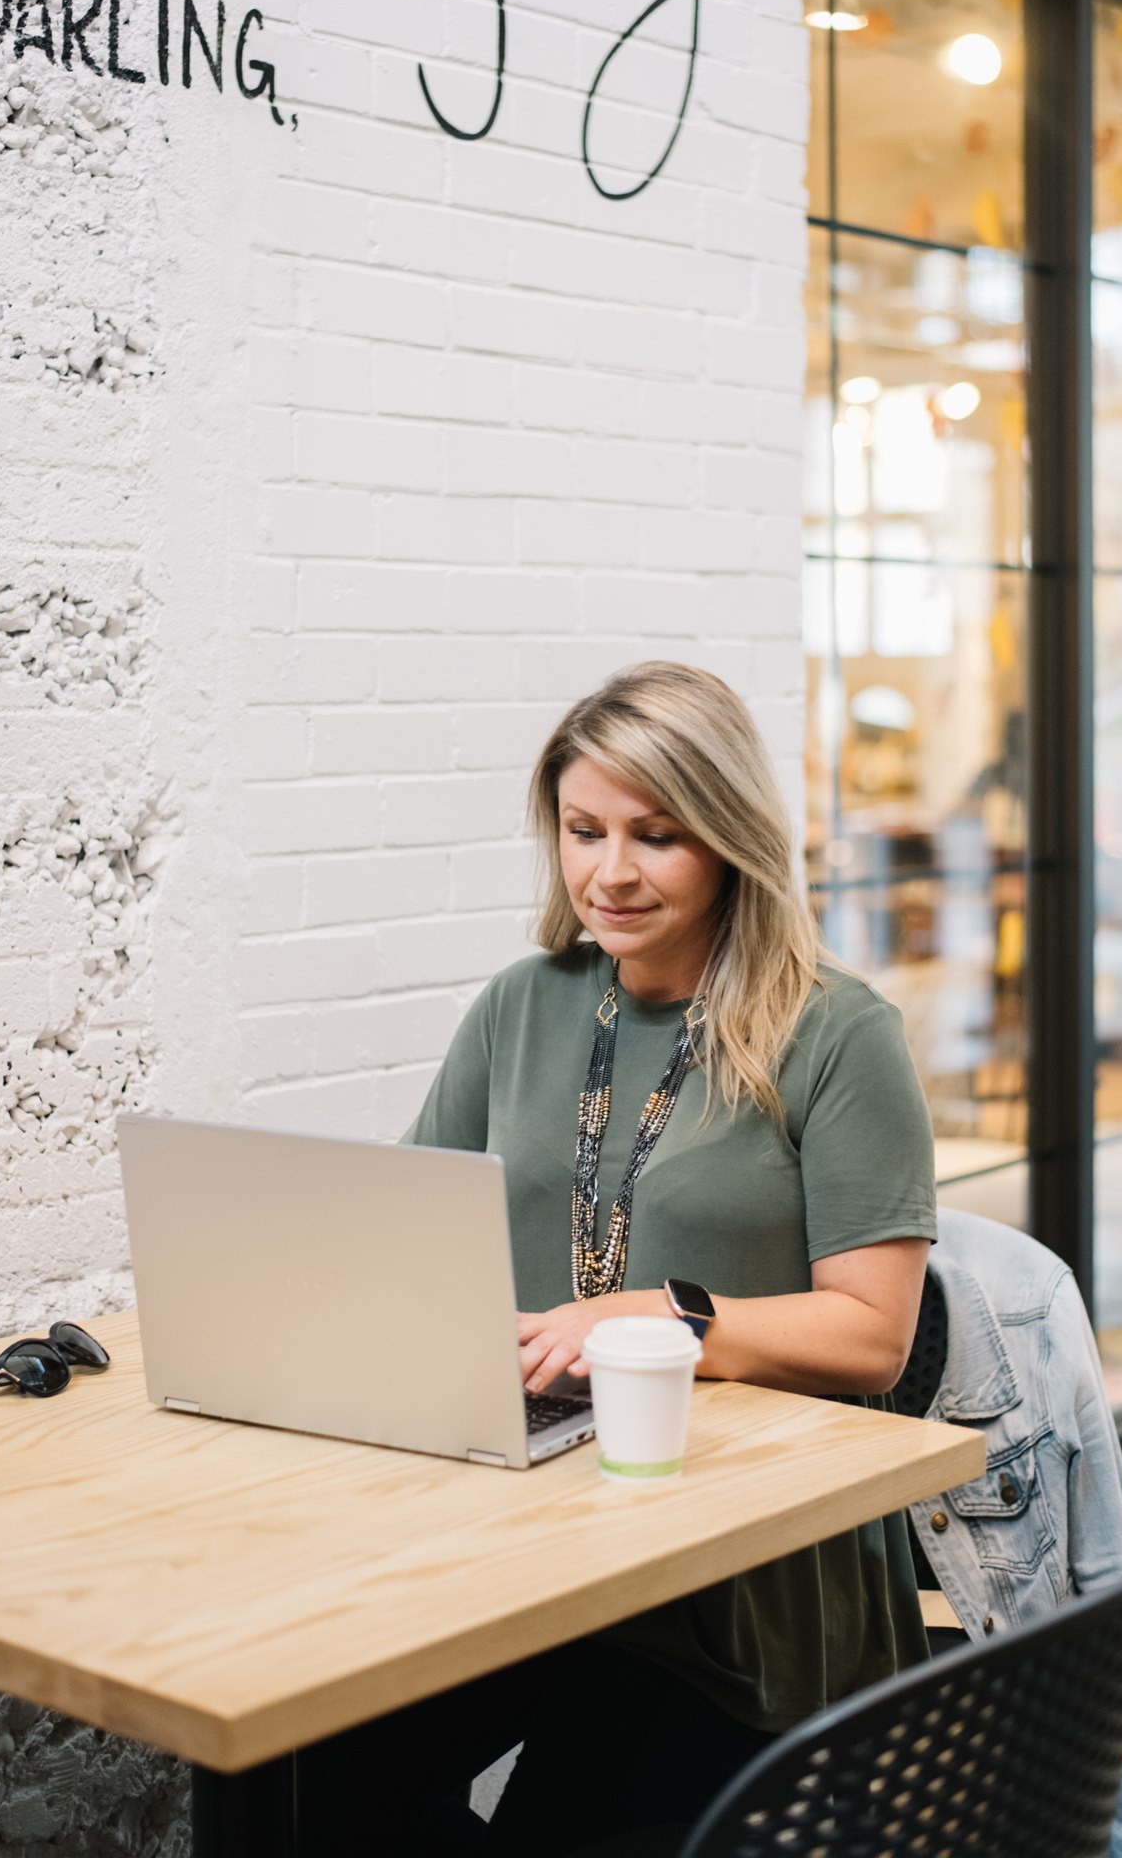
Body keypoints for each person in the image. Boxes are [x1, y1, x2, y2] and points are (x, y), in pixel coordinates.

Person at [295, 660, 938, 1856]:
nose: (611, 871)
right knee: (302, 1787)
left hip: (739, 1575)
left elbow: (874, 1334)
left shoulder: (839, 1032)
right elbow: (404, 1235)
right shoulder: (521, 1004)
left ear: (731, 835)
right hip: (527, 1527)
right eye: (583, 831)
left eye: (657, 834)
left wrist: (660, 1316)